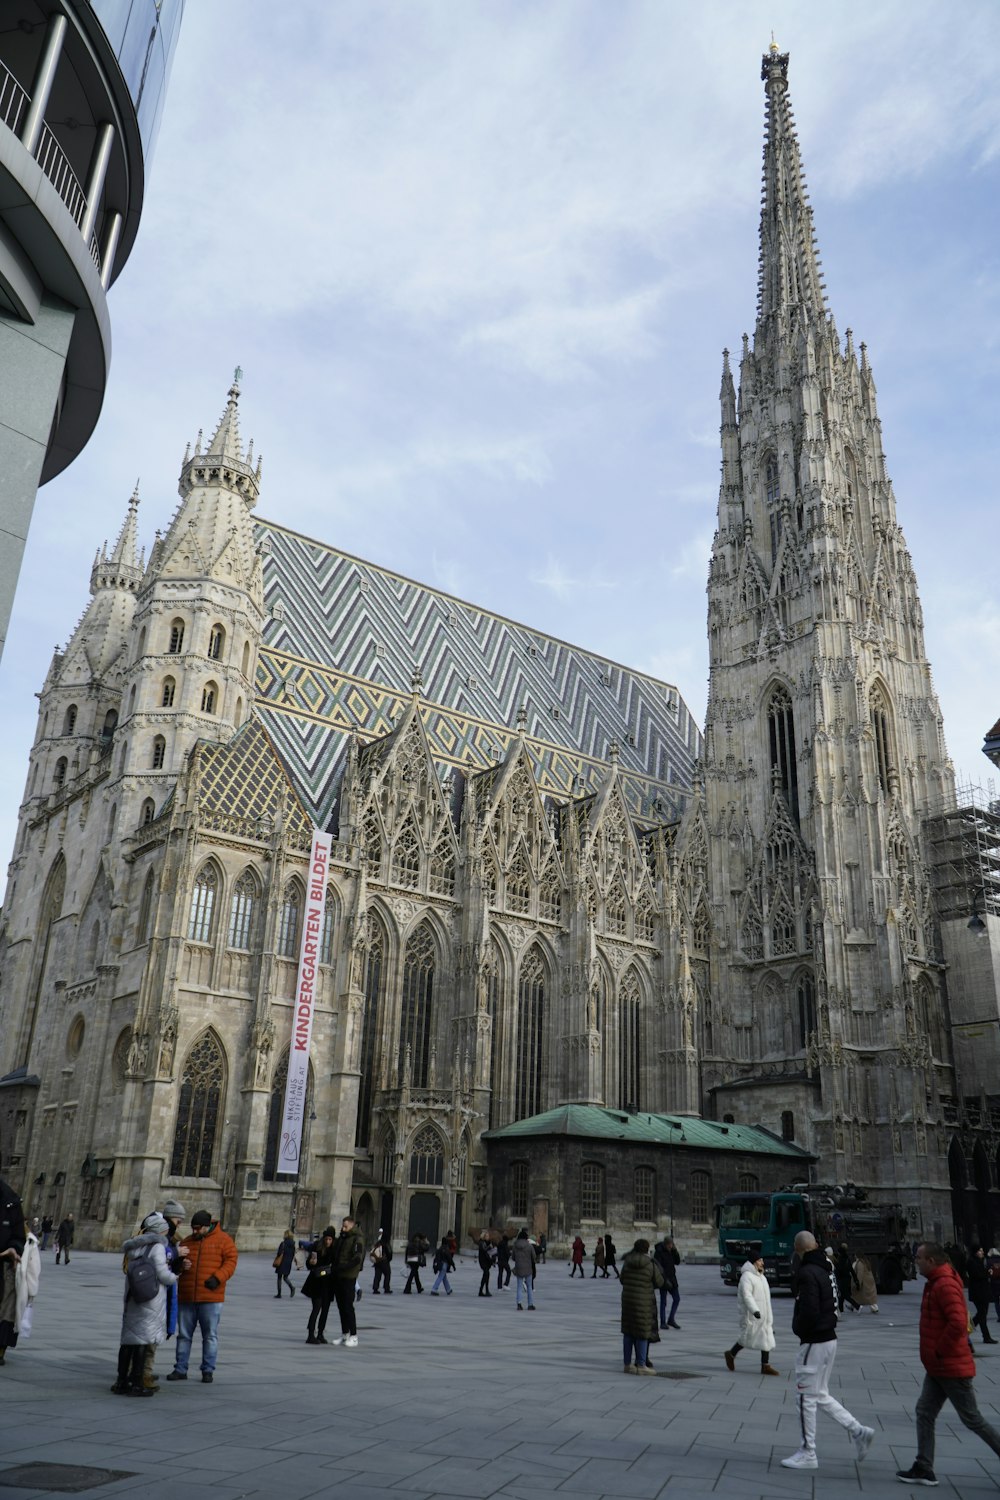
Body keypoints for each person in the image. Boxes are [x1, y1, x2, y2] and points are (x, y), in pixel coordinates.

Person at [897, 1242, 1000, 1486]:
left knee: (972, 1419)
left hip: (950, 1366)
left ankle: (924, 1466)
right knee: (925, 1411)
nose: (916, 1262)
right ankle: (924, 1467)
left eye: (919, 1258)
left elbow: (957, 1322)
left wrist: (939, 1351)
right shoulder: (936, 1282)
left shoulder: (944, 1284)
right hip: (939, 1366)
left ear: (931, 1261)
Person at [781, 1230, 874, 1470]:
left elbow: (809, 1309)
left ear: (799, 1249)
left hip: (815, 1340)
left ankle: (808, 1452)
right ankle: (859, 1431)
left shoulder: (807, 1272)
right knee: (819, 1394)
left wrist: (800, 1329)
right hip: (829, 1338)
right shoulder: (826, 1268)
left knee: (804, 1397)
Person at [111, 1212, 181, 1397]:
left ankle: (121, 1381)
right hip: (150, 1300)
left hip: (133, 1298)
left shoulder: (135, 1247)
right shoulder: (157, 1247)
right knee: (143, 1341)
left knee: (128, 1342)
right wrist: (176, 1276)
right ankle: (137, 1383)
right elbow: (163, 1275)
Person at [166, 1209, 238, 1384]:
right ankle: (180, 1368)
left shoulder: (224, 1240)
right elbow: (175, 1266)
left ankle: (207, 1370)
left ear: (208, 1226)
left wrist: (217, 1278)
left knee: (210, 1336)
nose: (195, 1232)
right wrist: (181, 1265)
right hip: (187, 1295)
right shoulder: (187, 1242)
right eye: (193, 1228)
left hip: (211, 1297)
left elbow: (231, 1261)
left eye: (199, 1228)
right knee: (183, 1335)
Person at [724, 1254, 779, 1375]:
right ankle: (731, 1354)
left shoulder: (761, 1277)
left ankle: (765, 1365)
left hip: (764, 1314)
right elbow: (747, 1295)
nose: (762, 1263)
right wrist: (755, 1310)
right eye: (760, 1261)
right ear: (754, 1262)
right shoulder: (747, 1277)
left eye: (762, 1260)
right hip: (752, 1314)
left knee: (766, 1337)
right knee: (747, 1337)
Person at [620, 1238, 662, 1375]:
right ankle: (642, 1365)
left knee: (628, 1332)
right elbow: (659, 1282)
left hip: (628, 1301)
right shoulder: (650, 1264)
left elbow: (622, 1279)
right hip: (644, 1302)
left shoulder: (627, 1262)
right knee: (642, 1332)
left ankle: (627, 1364)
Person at [0, 1178, 27, 1366]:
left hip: (3, 1265)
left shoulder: (9, 1199)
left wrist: (14, 1249)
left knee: (6, 1307)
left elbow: (19, 1236)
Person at [330, 1215, 365, 1345]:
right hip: (339, 1275)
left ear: (352, 1225)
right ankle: (345, 1334)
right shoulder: (343, 1238)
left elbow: (357, 1258)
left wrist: (344, 1267)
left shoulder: (357, 1239)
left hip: (349, 1276)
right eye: (342, 1226)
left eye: (345, 1226)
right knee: (340, 1306)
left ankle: (354, 1335)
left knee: (348, 1306)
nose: (343, 1228)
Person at [303, 1228, 336, 1343]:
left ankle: (321, 1333)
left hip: (328, 1284)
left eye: (330, 1239)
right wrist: (311, 1263)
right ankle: (310, 1334)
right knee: (316, 1308)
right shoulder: (317, 1247)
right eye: (326, 1239)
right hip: (316, 1282)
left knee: (325, 1309)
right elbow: (308, 1264)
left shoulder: (334, 1250)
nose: (328, 1242)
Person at [966, 1246, 997, 1345]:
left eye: (982, 1250)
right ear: (975, 1252)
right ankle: (985, 1336)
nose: (982, 1252)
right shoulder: (972, 1262)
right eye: (980, 1250)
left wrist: (988, 1272)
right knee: (981, 1314)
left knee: (982, 1315)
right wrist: (987, 1273)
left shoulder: (981, 1260)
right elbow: (978, 1275)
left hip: (983, 1292)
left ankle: (967, 1331)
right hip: (978, 1293)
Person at [512, 1227, 537, 1310]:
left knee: (519, 1286)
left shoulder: (515, 1246)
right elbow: (534, 1257)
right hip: (528, 1268)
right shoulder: (529, 1246)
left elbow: (513, 1257)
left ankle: (519, 1304)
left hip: (519, 1267)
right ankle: (530, 1304)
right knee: (529, 1286)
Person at [834, 1244, 860, 1313]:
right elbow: (851, 1270)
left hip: (842, 1280)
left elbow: (839, 1270)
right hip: (847, 1279)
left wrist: (836, 1273)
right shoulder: (847, 1259)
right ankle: (841, 1309)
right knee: (842, 1296)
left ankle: (857, 1306)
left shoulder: (840, 1259)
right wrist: (856, 1280)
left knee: (845, 1295)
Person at [273, 1228, 297, 1299]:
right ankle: (292, 1287)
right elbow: (293, 1254)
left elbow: (279, 1253)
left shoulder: (283, 1243)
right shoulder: (293, 1244)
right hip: (288, 1262)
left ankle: (279, 1293)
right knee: (285, 1277)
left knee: (279, 1277)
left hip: (281, 1262)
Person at [370, 1228, 393, 1294]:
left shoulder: (378, 1243)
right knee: (387, 1274)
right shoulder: (386, 1243)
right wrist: (389, 1259)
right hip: (384, 1261)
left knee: (377, 1275)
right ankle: (386, 1288)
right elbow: (389, 1253)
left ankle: (375, 1288)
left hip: (377, 1261)